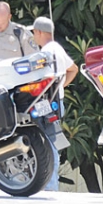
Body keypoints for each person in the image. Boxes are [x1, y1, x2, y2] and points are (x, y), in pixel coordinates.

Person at [31, 16, 77, 192]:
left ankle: (49, 187)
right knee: (52, 143)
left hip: (46, 104)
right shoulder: (57, 48)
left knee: (47, 146)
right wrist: (60, 87)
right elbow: (73, 69)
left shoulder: (44, 54)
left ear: (40, 32)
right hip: (58, 102)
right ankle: (51, 185)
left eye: (34, 32)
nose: (34, 36)